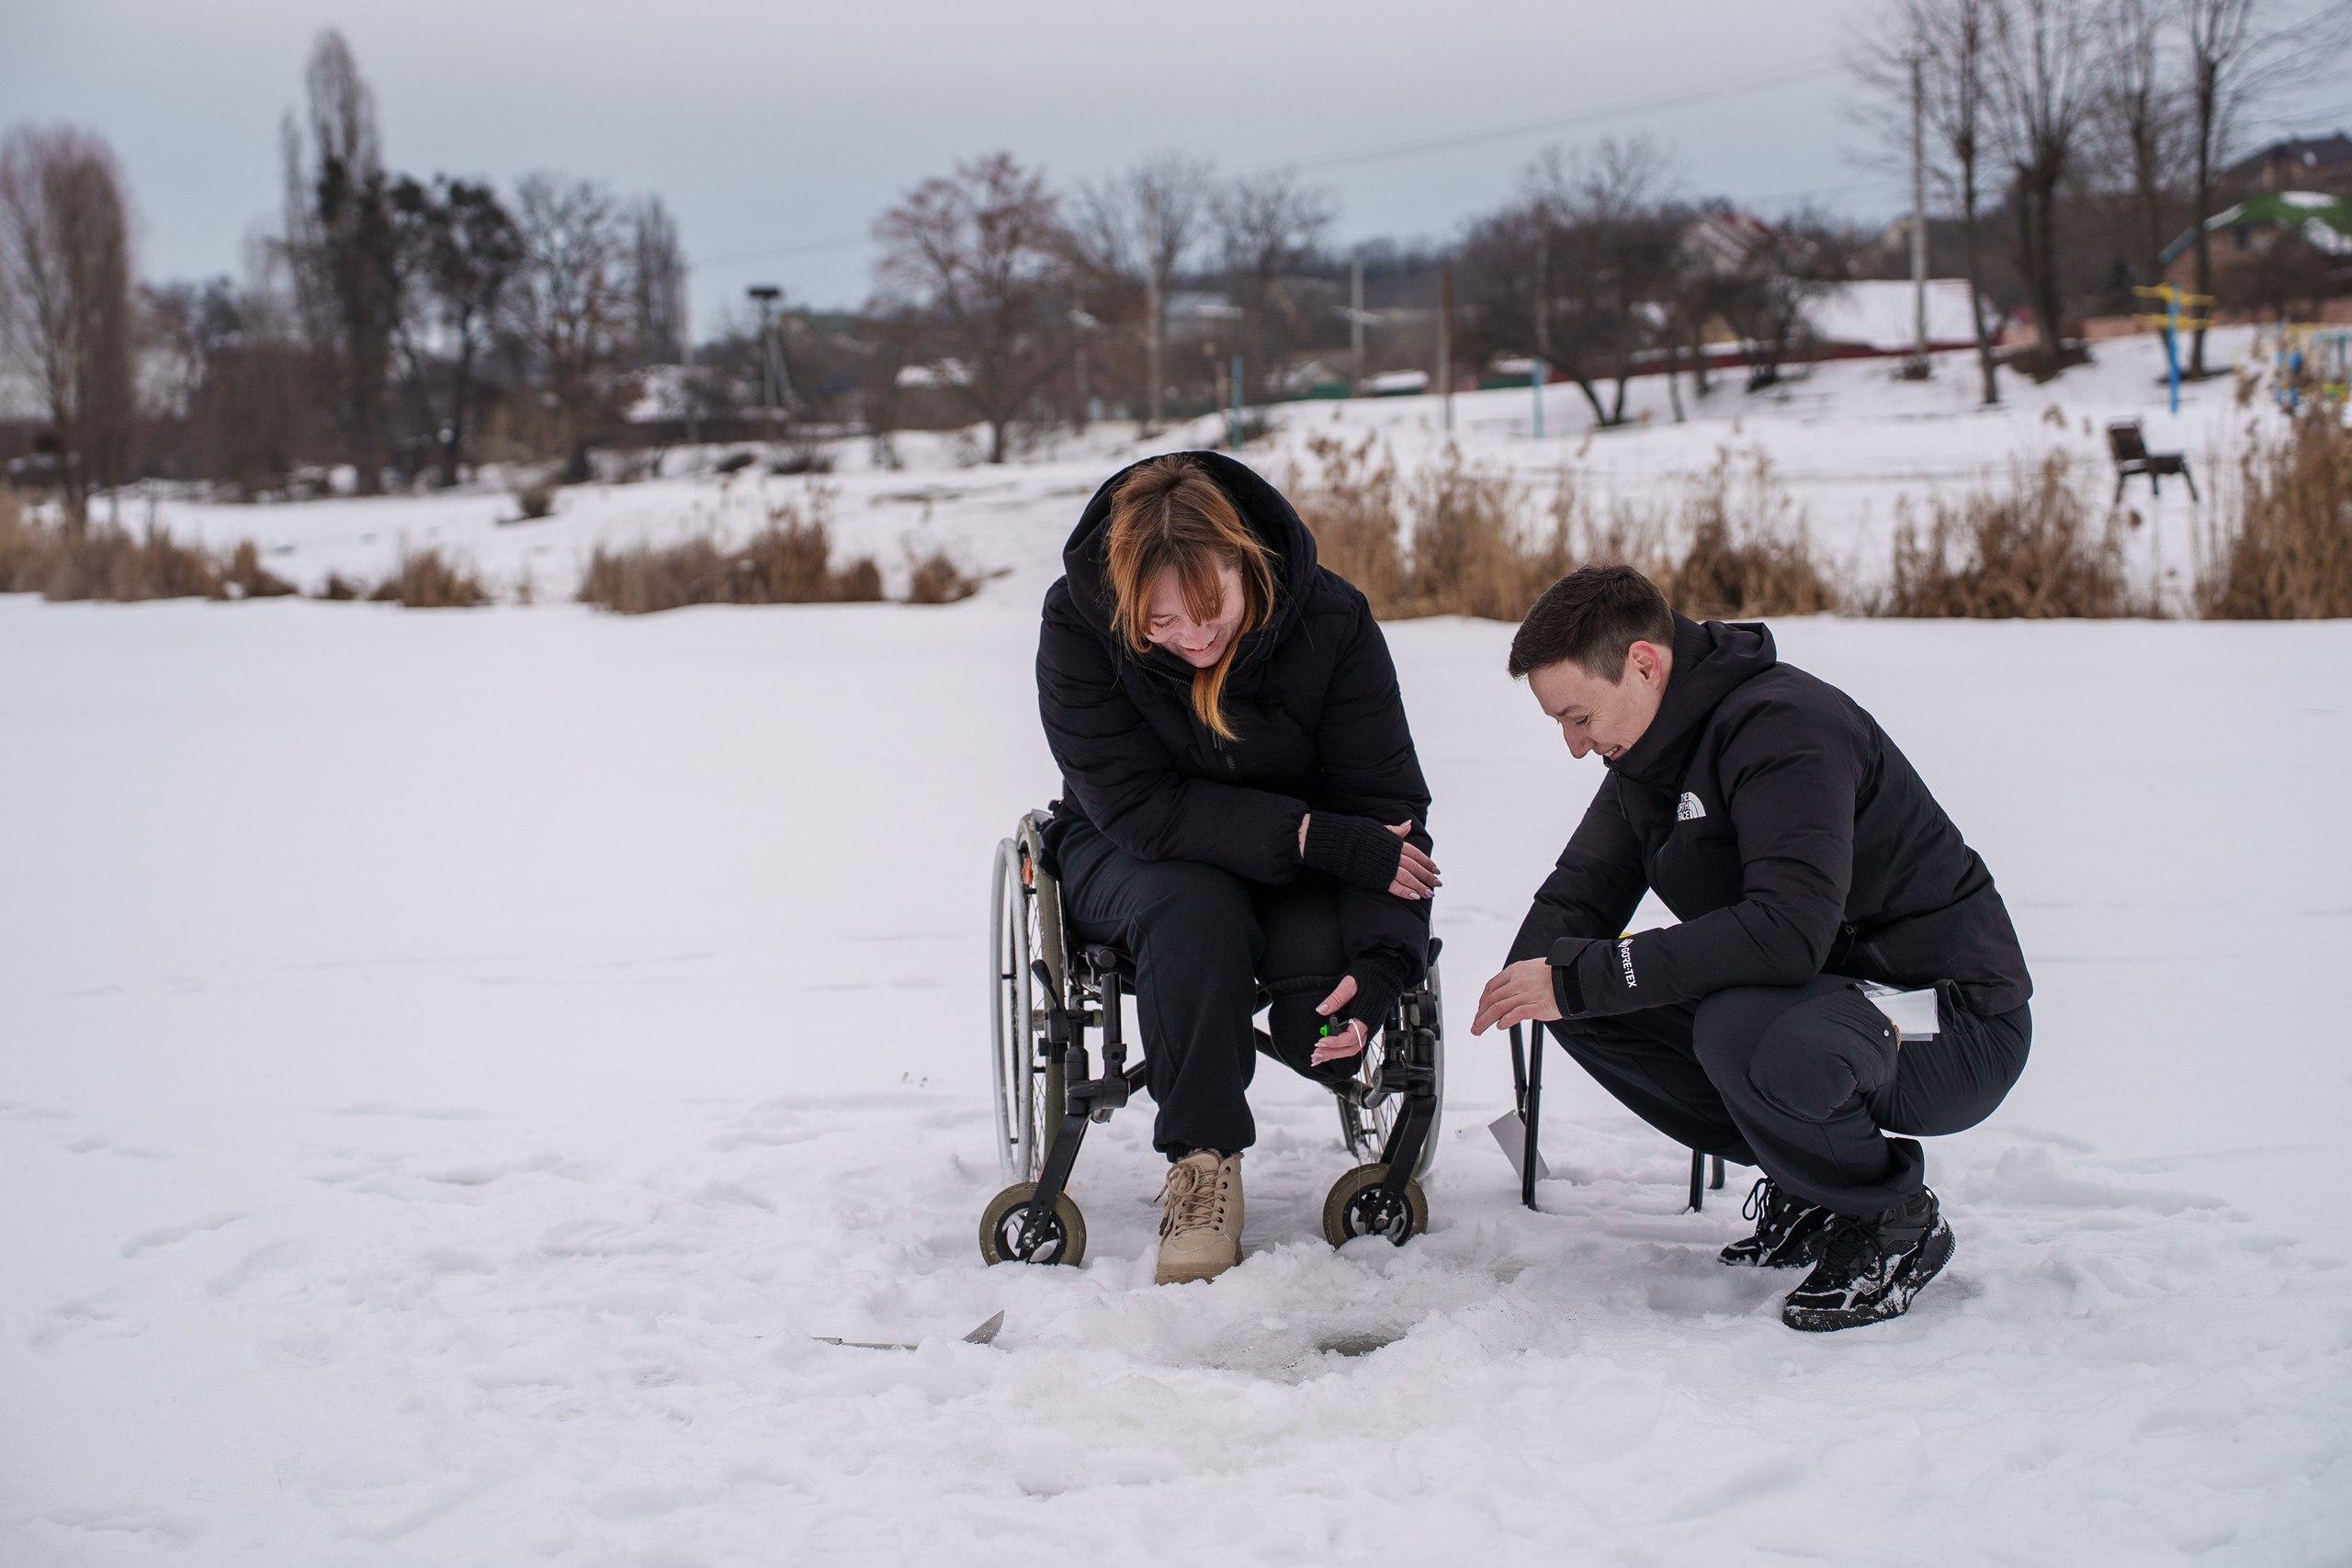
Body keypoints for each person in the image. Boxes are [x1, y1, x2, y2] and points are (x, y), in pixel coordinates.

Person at [1471, 565, 2031, 1331]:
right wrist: (1527, 978)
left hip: (1950, 1014)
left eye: (1579, 717)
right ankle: (1812, 1183)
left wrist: (1584, 974)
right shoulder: (1645, 754)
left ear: (1644, 663)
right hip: (1829, 1002)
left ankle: (1890, 1220)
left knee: (1737, 1028)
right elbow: (1582, 893)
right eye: (1560, 726)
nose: (1574, 746)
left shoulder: (1786, 727)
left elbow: (1789, 930)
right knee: (1584, 997)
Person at [1035, 451, 1438, 1285]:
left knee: (1313, 979)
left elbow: (1387, 819)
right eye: (1161, 625)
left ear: (1247, 559)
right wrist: (1311, 837)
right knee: (1193, 907)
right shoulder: (1077, 625)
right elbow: (1140, 807)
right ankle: (1203, 1161)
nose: (1193, 640)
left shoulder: (1333, 622)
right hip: (1129, 848)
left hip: (1297, 861)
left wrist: (1380, 966)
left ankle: (1317, 1027)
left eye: (1213, 611)